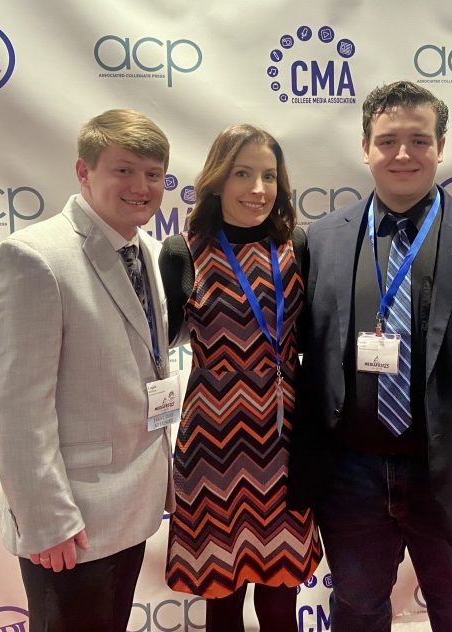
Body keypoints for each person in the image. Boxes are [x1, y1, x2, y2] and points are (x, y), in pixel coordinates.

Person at [287, 81, 452, 632]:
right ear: (364, 148)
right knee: (356, 607)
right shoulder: (321, 240)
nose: (402, 154)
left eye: (418, 140)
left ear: (441, 145)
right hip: (349, 473)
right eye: (387, 141)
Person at [0, 109, 175, 632]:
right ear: (84, 173)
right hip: (72, 522)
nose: (141, 186)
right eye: (124, 170)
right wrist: (45, 522)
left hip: (130, 507)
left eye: (153, 174)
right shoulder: (34, 258)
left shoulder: (148, 251)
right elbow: (13, 410)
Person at [159, 124, 322, 632]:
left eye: (269, 176)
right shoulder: (181, 251)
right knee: (220, 593)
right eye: (242, 173)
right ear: (216, 180)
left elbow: (318, 340)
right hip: (214, 439)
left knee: (280, 597)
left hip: (286, 435)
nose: (258, 189)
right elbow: (151, 345)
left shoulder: (298, 243)